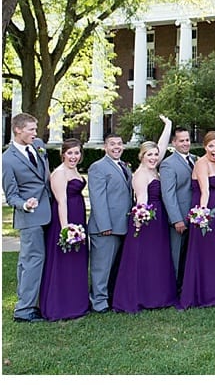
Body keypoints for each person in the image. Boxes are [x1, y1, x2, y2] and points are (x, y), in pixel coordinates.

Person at [112, 115, 178, 313]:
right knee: (145, 258)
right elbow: (141, 201)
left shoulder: (154, 168)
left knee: (157, 258)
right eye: (149, 155)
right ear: (142, 156)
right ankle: (142, 297)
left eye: (155, 155)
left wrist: (168, 126)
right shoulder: (140, 175)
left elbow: (162, 147)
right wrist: (139, 225)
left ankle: (157, 295)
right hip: (147, 220)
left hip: (159, 218)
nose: (154, 157)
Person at [2, 112, 52, 323]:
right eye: (31, 129)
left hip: (50, 210)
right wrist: (25, 204)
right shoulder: (6, 160)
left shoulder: (38, 144)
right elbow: (11, 194)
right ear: (18, 130)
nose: (35, 133)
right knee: (32, 261)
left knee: (32, 261)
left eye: (35, 128)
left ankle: (40, 300)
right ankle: (24, 310)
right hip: (30, 216)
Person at [177, 131, 215, 309]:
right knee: (203, 251)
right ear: (205, 147)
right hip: (204, 209)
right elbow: (204, 191)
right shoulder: (201, 163)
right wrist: (203, 215)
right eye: (211, 146)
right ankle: (200, 294)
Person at [40, 138, 88, 321]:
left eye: (77, 153)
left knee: (76, 259)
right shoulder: (59, 173)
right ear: (63, 154)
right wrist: (66, 229)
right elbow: (61, 202)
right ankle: (59, 306)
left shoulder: (73, 169)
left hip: (78, 215)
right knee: (64, 260)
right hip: (65, 218)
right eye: (70, 153)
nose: (74, 156)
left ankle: (76, 302)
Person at [88, 132, 133, 314]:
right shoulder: (97, 167)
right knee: (101, 267)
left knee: (115, 266)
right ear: (105, 147)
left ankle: (112, 296)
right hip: (106, 227)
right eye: (112, 144)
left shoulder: (124, 166)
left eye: (119, 143)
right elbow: (97, 199)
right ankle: (98, 301)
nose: (117, 147)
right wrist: (104, 225)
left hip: (123, 224)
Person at [160, 126, 195, 292]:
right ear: (174, 142)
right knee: (176, 255)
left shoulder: (196, 159)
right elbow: (168, 194)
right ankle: (173, 289)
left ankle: (187, 286)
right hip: (179, 218)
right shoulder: (168, 164)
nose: (185, 143)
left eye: (187, 140)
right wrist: (176, 219)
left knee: (189, 255)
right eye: (181, 140)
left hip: (196, 216)